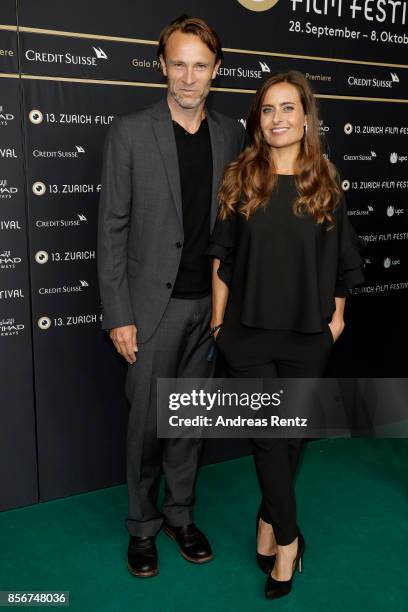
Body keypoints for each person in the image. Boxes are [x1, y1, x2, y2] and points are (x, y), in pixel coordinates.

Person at [97, 15, 245, 578]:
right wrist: (120, 315)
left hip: (207, 307)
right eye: (178, 64)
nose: (188, 77)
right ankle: (142, 526)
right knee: (145, 427)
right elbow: (111, 229)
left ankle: (181, 515)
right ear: (162, 65)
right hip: (148, 312)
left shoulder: (232, 134)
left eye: (200, 66)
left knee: (190, 420)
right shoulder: (130, 132)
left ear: (216, 71)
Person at [207, 70, 364, 599]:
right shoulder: (242, 177)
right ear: (259, 119)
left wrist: (336, 318)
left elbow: (344, 261)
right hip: (247, 335)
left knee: (289, 439)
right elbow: (222, 257)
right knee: (269, 439)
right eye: (268, 109)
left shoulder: (326, 181)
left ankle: (269, 521)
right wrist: (218, 322)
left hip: (305, 336)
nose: (277, 119)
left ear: (306, 117)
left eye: (288, 108)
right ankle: (290, 542)